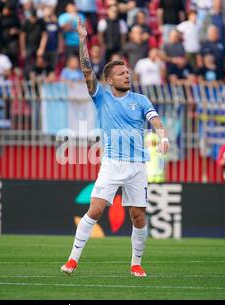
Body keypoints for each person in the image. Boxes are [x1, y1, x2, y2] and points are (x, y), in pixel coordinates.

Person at [61, 17, 170, 277]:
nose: (126, 75)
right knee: (95, 209)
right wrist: (83, 40)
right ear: (110, 80)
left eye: (127, 72)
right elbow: (87, 71)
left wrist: (163, 136)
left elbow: (154, 119)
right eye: (121, 73)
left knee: (138, 217)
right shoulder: (101, 98)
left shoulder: (141, 100)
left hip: (136, 166)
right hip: (111, 163)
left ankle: (136, 263)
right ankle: (73, 260)